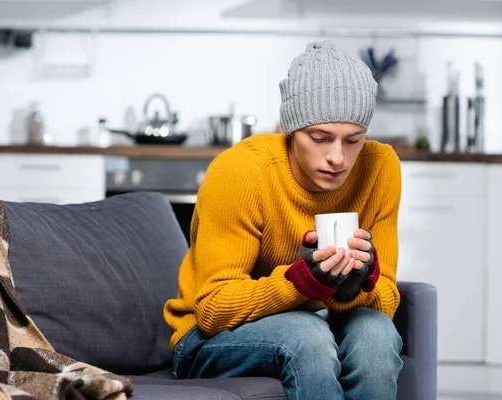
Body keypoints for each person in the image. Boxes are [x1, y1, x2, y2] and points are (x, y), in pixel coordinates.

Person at [163, 40, 403, 400]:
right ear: (289, 131)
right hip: (206, 338)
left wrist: (352, 287)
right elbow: (212, 309)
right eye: (320, 138)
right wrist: (301, 282)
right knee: (307, 335)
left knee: (376, 335)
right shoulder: (241, 172)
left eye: (353, 140)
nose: (338, 157)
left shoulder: (380, 167)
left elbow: (388, 296)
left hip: (320, 319)